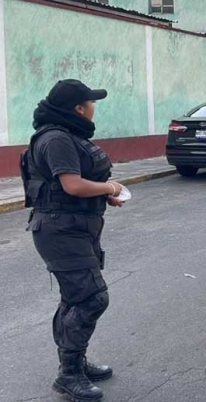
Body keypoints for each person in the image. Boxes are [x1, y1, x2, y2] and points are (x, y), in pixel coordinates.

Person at [23, 79, 125, 401]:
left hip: (75, 226)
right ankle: (68, 375)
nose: (94, 107)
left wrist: (103, 196)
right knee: (91, 298)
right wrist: (110, 188)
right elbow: (72, 185)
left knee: (75, 297)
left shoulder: (68, 135)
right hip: (60, 232)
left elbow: (76, 187)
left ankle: (75, 363)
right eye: (90, 102)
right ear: (79, 108)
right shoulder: (56, 139)